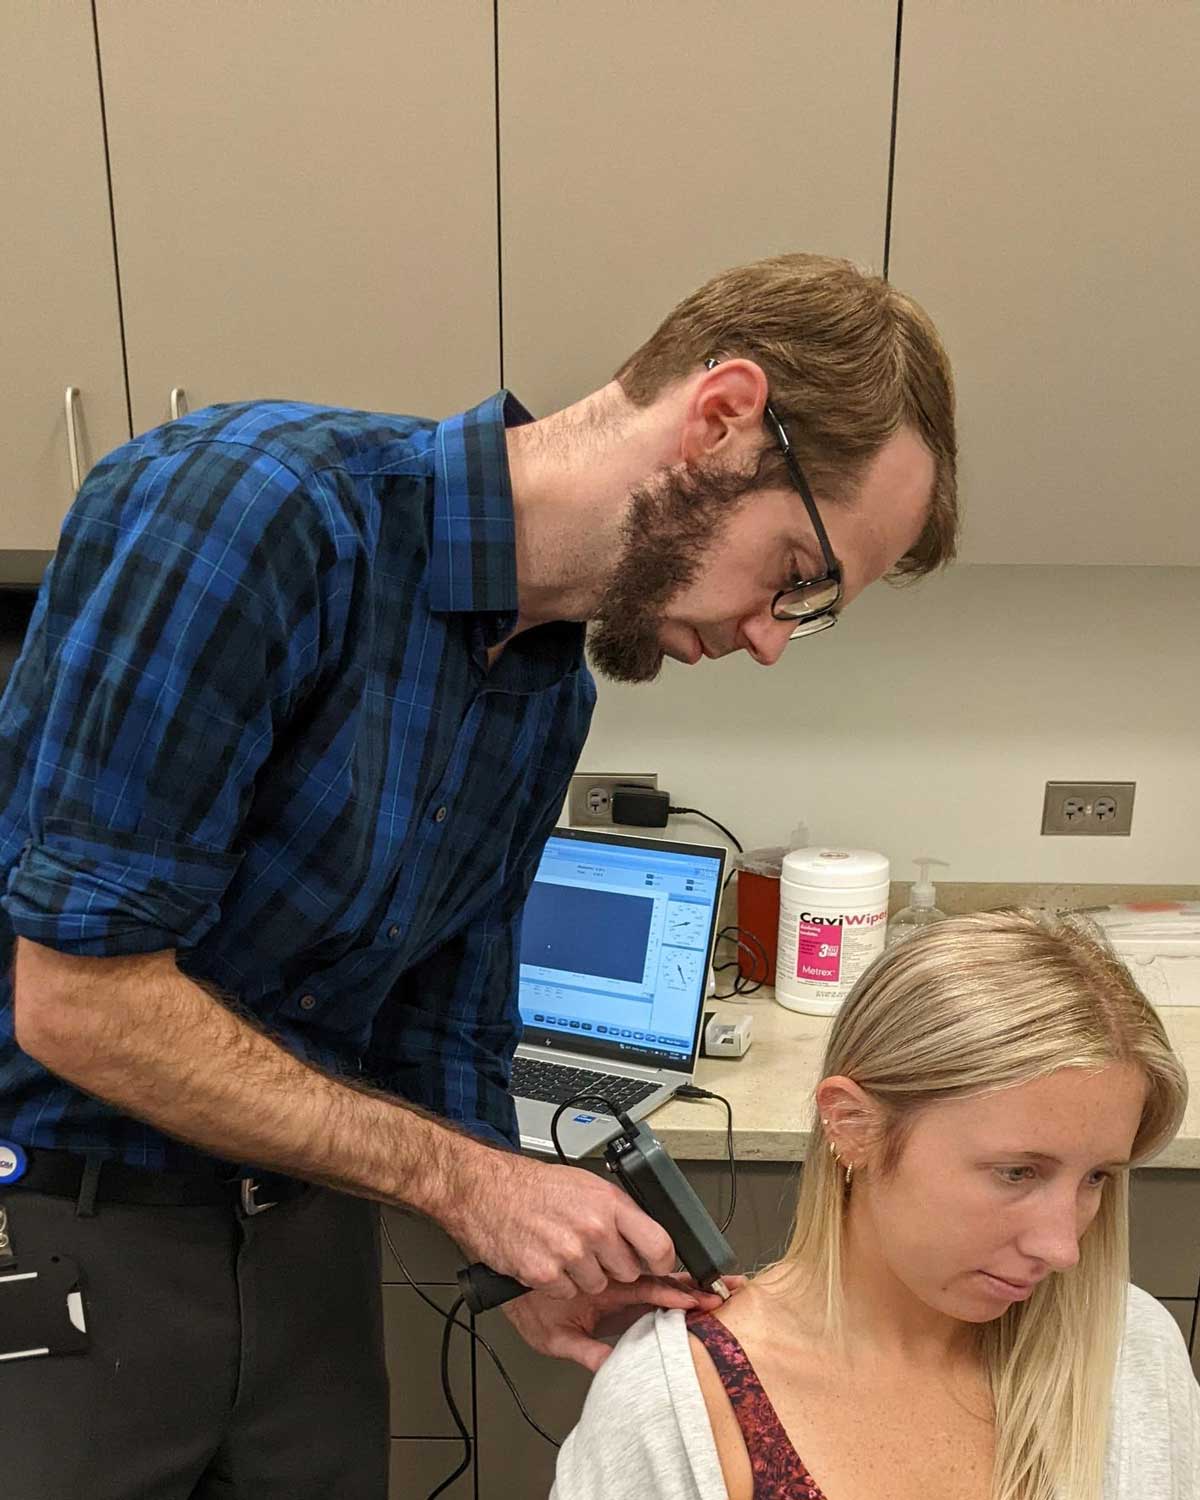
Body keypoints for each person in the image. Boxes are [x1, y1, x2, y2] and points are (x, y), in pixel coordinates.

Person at [0, 253, 957, 1496]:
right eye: (797, 577)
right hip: (65, 1230)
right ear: (721, 419)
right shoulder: (255, 510)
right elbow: (82, 1001)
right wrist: (473, 1184)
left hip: (298, 1236)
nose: (775, 640)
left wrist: (523, 1256)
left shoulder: (548, 688)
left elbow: (443, 1016)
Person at [551, 909, 1199, 1500]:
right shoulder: (675, 1405)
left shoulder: (1130, 1350)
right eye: (1016, 1172)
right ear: (853, 1126)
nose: (1063, 1249)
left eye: (1097, 1180)